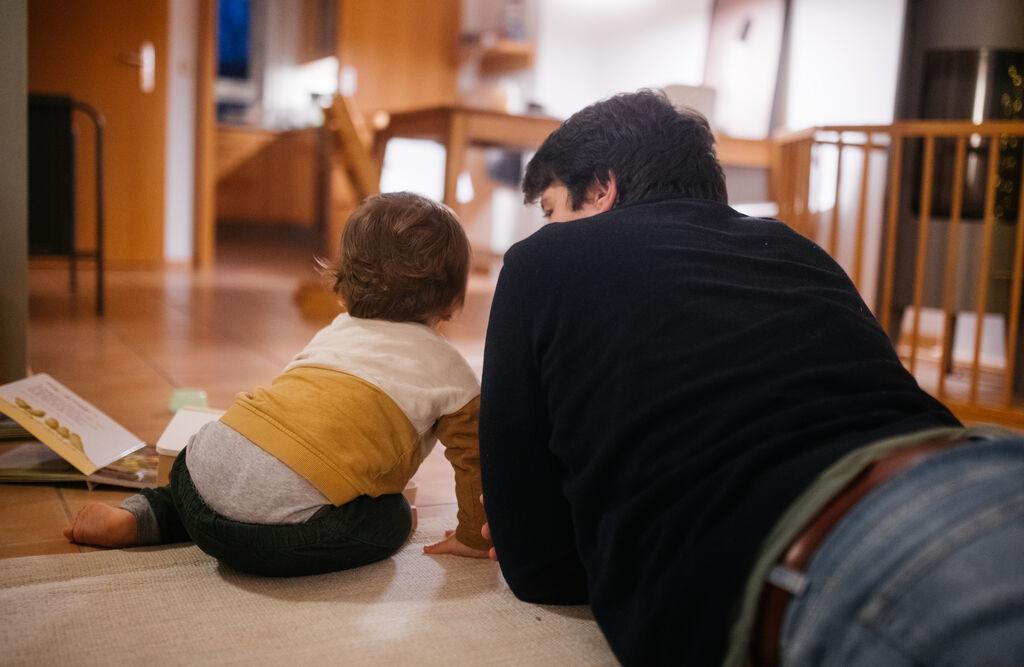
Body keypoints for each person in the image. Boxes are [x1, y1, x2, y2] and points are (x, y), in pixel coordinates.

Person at [478, 90, 1024, 666]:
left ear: (601, 189)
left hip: (858, 556)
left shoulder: (542, 261)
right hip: (985, 461)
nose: (552, 227)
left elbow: (537, 564)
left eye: (554, 208)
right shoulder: (799, 249)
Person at [65, 192, 491, 575]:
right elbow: (474, 460)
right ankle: (203, 523)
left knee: (230, 479)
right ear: (454, 296)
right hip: (273, 543)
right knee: (394, 515)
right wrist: (473, 537)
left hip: (198, 474)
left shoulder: (336, 331)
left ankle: (143, 516)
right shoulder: (452, 373)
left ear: (344, 282)